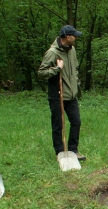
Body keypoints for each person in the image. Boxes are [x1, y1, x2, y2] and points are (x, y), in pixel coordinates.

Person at [38, 25, 86, 161]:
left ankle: (73, 149)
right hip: (57, 95)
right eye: (74, 35)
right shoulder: (53, 52)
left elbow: (75, 69)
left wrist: (76, 84)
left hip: (71, 95)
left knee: (76, 122)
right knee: (58, 125)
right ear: (67, 37)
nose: (76, 37)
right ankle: (59, 152)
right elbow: (41, 72)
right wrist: (57, 69)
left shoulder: (72, 50)